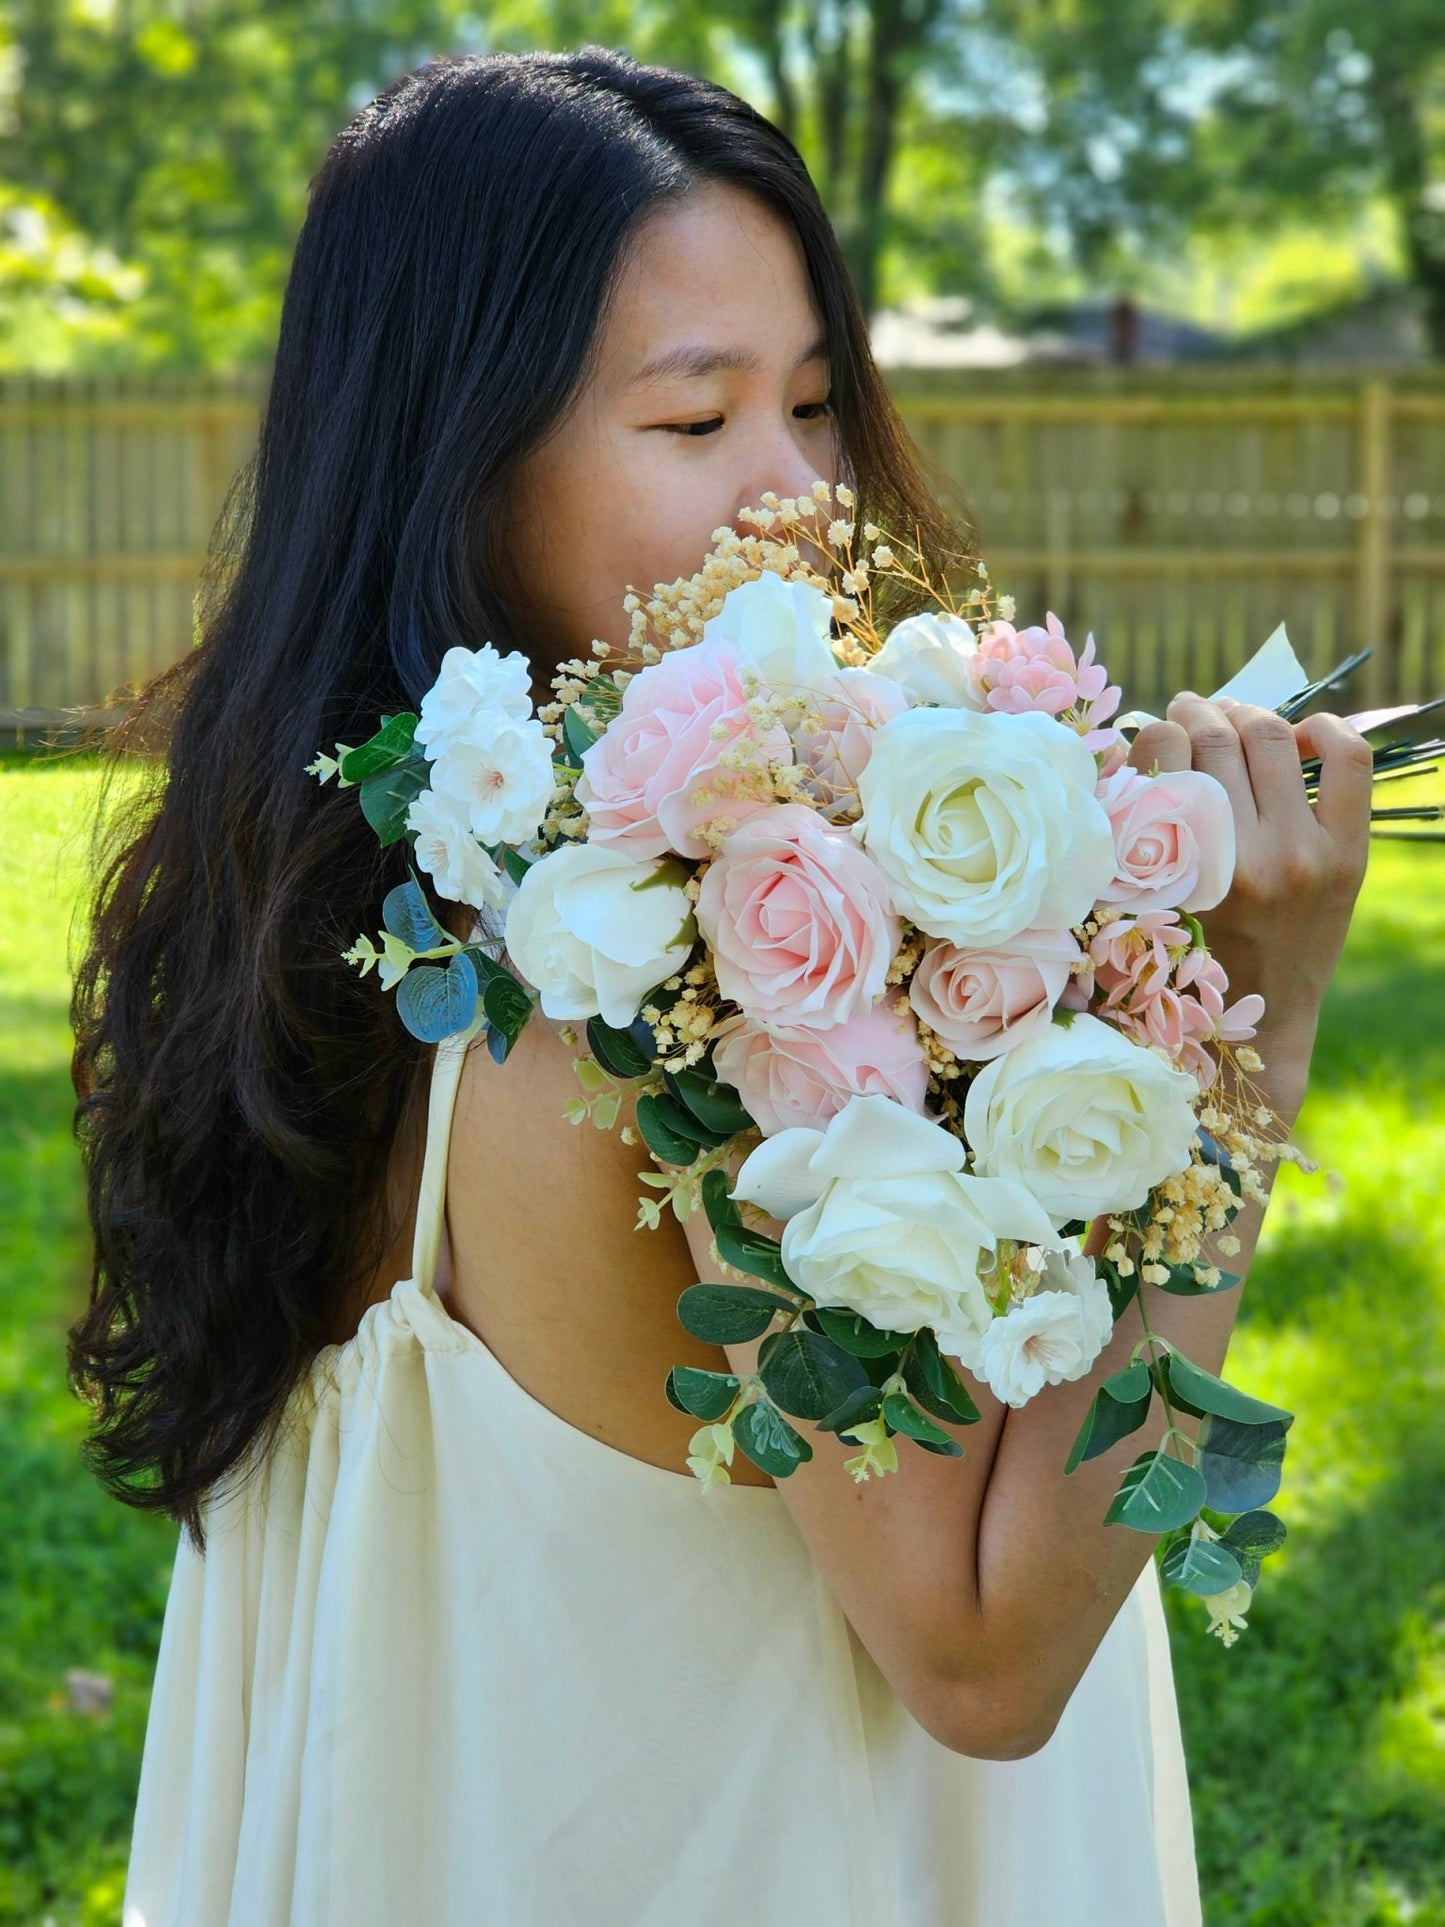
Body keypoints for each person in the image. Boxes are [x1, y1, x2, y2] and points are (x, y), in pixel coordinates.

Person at [66, 44, 1373, 1927]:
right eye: (695, 425)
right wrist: (1253, 1014)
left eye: (820, 405)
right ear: (454, 453)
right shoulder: (688, 974)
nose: (795, 496)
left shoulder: (362, 904)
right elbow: (984, 1657)